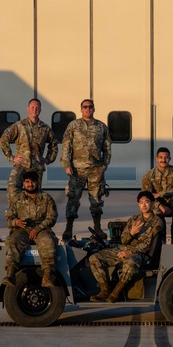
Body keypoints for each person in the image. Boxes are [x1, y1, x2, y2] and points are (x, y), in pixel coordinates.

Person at [87, 191, 163, 303]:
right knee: (94, 258)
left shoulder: (157, 222)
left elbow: (147, 245)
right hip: (124, 249)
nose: (144, 205)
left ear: (152, 203)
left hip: (141, 254)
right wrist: (131, 233)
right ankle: (105, 290)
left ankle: (116, 291)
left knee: (130, 262)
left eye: (147, 202)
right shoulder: (133, 219)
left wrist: (131, 252)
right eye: (141, 202)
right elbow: (123, 239)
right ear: (138, 204)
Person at [60, 98, 111, 240]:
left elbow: (107, 148)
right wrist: (66, 165)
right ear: (81, 109)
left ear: (94, 109)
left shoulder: (101, 127)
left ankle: (97, 228)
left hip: (96, 170)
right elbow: (66, 147)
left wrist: (104, 165)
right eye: (85, 107)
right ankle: (68, 228)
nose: (88, 109)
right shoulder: (73, 126)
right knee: (73, 199)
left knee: (96, 200)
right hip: (77, 170)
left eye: (90, 107)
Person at [2, 171, 59, 287]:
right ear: (23, 183)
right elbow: (8, 220)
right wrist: (16, 222)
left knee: (49, 241)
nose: (30, 184)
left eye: (33, 181)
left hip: (41, 229)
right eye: (27, 182)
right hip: (22, 229)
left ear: (38, 182)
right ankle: (11, 274)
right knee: (13, 242)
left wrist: (37, 229)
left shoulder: (46, 198)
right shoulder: (17, 199)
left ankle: (47, 276)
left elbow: (52, 218)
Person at [0, 98, 58, 200]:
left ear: (40, 110)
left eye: (37, 108)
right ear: (28, 109)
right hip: (21, 164)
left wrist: (48, 159)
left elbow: (53, 145)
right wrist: (11, 157)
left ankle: (34, 215)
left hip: (36, 166)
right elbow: (3, 139)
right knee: (12, 187)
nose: (34, 110)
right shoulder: (19, 126)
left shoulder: (45, 128)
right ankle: (14, 212)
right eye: (32, 107)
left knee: (36, 196)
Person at [141, 146, 173, 237]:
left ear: (170, 159)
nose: (163, 160)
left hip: (171, 201)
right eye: (161, 157)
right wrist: (161, 206)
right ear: (156, 159)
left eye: (166, 157)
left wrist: (159, 194)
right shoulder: (149, 175)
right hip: (157, 204)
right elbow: (147, 196)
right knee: (152, 207)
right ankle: (161, 231)